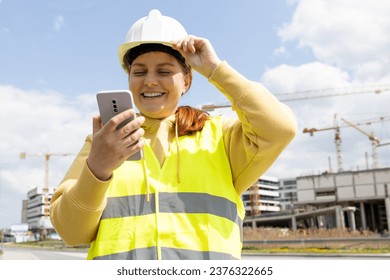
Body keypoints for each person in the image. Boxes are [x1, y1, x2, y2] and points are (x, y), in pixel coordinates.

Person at [50, 9, 297, 260]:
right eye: (139, 72)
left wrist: (215, 69)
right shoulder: (103, 142)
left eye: (165, 71)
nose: (150, 81)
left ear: (187, 81)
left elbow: (280, 128)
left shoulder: (220, 136)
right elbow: (71, 233)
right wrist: (97, 168)